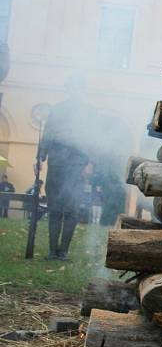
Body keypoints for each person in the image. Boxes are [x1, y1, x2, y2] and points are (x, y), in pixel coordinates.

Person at [38, 75, 93, 261]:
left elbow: (95, 141)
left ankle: (63, 251)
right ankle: (52, 251)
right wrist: (40, 157)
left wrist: (90, 163)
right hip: (56, 164)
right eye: (72, 88)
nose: (75, 91)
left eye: (78, 88)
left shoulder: (88, 112)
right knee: (54, 208)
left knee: (72, 210)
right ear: (68, 90)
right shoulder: (57, 110)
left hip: (77, 165)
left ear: (82, 90)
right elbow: (47, 134)